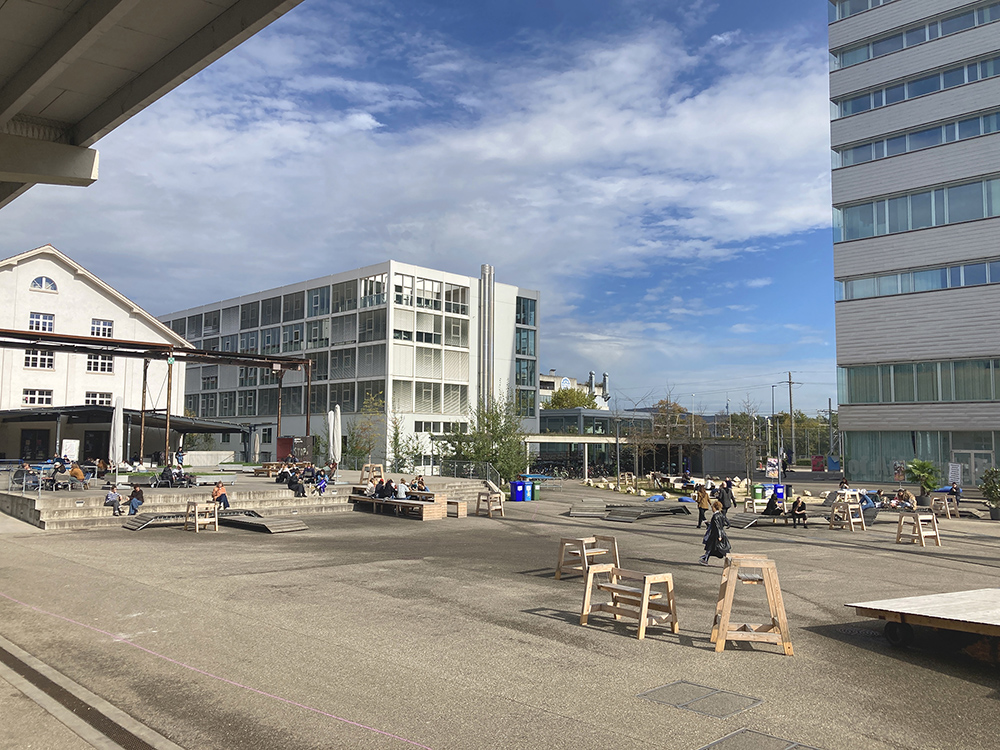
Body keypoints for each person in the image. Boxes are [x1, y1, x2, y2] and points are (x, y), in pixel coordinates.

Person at [699, 500, 731, 565]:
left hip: (715, 535)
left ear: (715, 507)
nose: (712, 509)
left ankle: (730, 560)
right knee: (714, 548)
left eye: (712, 507)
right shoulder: (721, 514)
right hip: (720, 534)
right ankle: (705, 559)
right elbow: (725, 522)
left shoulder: (715, 516)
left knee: (715, 548)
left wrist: (719, 536)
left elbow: (717, 526)